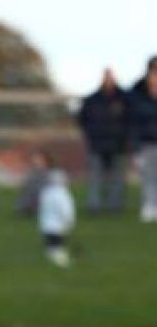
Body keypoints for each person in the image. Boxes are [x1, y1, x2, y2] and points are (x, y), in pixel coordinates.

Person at [77, 68, 129, 214]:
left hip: (119, 144)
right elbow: (82, 120)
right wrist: (91, 134)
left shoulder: (124, 100)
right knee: (95, 177)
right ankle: (94, 206)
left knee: (117, 178)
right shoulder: (92, 100)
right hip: (97, 144)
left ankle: (115, 206)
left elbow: (131, 120)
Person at [128, 69, 157, 222]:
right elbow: (135, 126)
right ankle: (148, 206)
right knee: (147, 177)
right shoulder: (141, 101)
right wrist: (136, 149)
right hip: (146, 144)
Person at [38, 165, 76, 268]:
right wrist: (69, 222)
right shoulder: (63, 194)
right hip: (59, 226)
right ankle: (62, 264)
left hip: (46, 226)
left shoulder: (46, 193)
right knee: (58, 247)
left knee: (50, 246)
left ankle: (50, 262)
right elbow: (66, 210)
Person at [16, 150, 51, 217]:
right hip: (28, 204)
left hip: (41, 204)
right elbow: (24, 188)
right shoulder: (32, 174)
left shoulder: (48, 174)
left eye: (39, 160)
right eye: (35, 159)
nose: (35, 162)